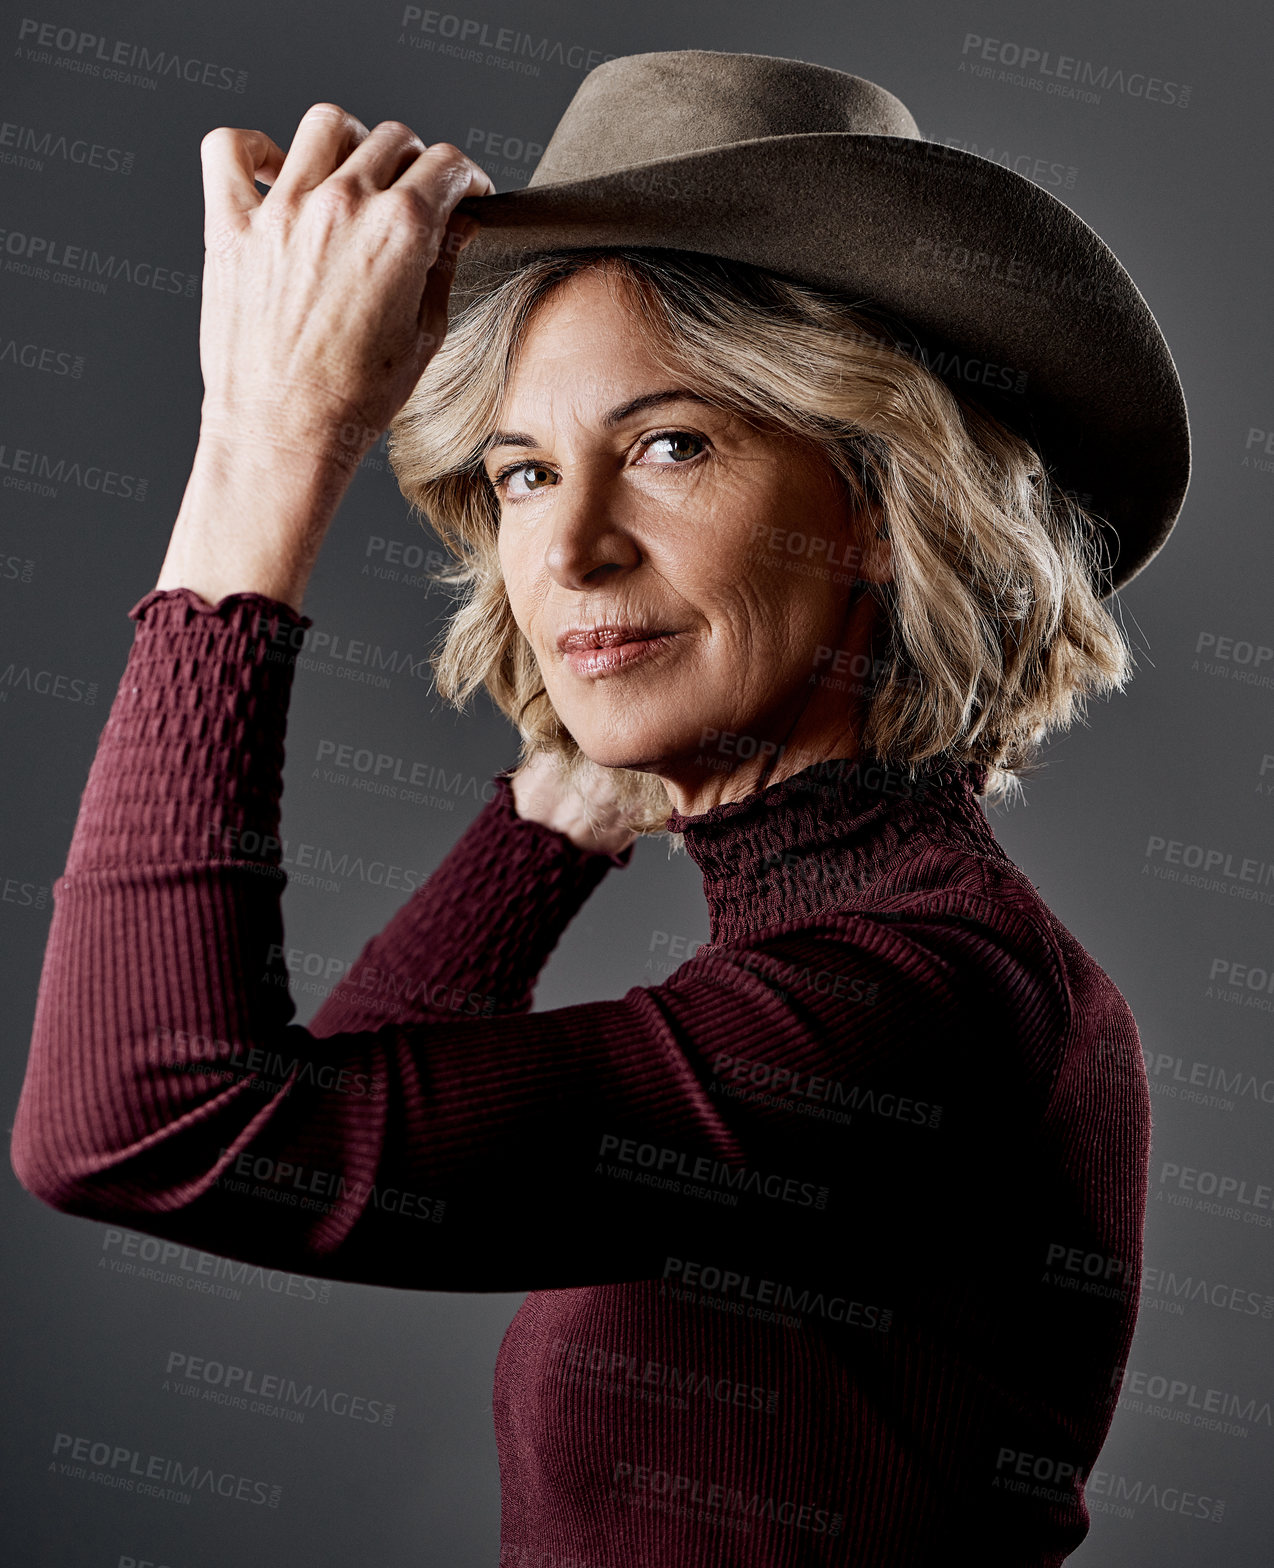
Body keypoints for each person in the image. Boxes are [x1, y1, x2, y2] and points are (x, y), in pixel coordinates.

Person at [10, 49, 1190, 1568]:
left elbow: (149, 1122)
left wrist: (266, 444)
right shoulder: (876, 941)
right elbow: (369, 1082)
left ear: (882, 509)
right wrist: (547, 819)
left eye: (669, 447)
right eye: (517, 474)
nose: (568, 548)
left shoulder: (920, 1001)